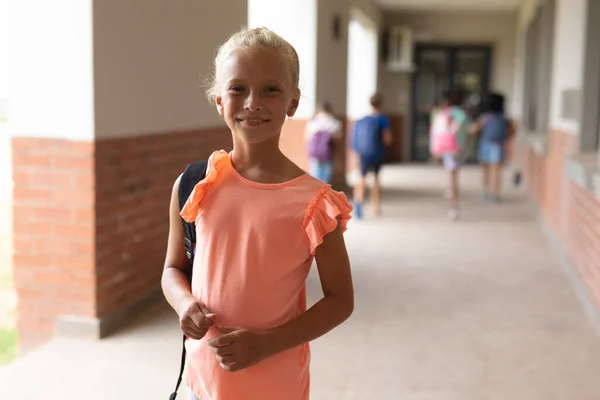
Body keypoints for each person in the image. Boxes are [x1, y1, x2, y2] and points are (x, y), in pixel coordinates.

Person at [161, 27, 354, 400]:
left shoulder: (316, 203)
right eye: (238, 89)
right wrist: (184, 303)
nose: (253, 102)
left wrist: (267, 344)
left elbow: (340, 300)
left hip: (273, 382)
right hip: (203, 380)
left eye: (270, 89)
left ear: (292, 104)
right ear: (219, 101)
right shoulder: (196, 183)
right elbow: (172, 269)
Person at [351, 94, 392, 218]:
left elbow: (355, 140)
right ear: (381, 104)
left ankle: (358, 202)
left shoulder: (361, 120)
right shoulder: (383, 120)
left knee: (362, 178)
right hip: (377, 153)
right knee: (376, 179)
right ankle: (375, 206)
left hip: (363, 154)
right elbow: (388, 139)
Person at [429, 89, 468, 220]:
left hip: (449, 149)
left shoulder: (443, 114)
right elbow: (467, 131)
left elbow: (436, 133)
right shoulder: (462, 114)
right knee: (454, 175)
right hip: (459, 148)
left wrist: (435, 151)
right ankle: (453, 200)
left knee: (452, 177)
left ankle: (453, 205)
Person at [470, 92, 514, 202]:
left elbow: (474, 130)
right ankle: (496, 193)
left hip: (485, 143)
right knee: (496, 169)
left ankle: (485, 190)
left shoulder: (485, 117)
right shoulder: (504, 118)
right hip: (498, 144)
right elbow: (512, 132)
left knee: (485, 168)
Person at [304, 102, 343, 183]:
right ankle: (324, 194)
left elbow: (307, 138)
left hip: (314, 153)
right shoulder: (334, 122)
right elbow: (338, 137)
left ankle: (315, 194)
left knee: (315, 175)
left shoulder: (312, 122)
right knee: (326, 176)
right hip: (328, 152)